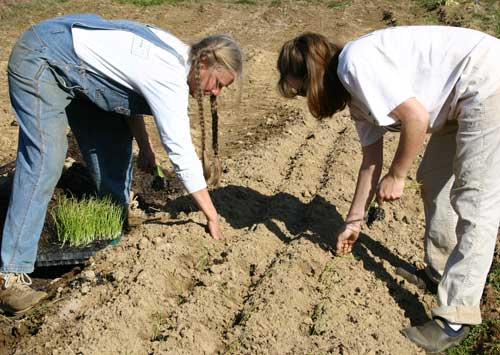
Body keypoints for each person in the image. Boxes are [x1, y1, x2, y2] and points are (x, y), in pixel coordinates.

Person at [0, 13, 242, 315]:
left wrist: (145, 148)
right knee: (46, 157)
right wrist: (212, 214)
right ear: (204, 63)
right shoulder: (169, 75)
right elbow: (181, 153)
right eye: (218, 84)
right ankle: (11, 273)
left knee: (114, 147)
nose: (215, 92)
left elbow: (124, 91)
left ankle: (114, 222)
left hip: (80, 77)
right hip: (41, 60)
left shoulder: (181, 56)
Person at [277, 27, 500, 353]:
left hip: (485, 79)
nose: (304, 100)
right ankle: (438, 274)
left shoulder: (354, 65)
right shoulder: (354, 97)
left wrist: (397, 174)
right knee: (434, 181)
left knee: (475, 199)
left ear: (312, 79)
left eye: (300, 93)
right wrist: (354, 221)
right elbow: (370, 162)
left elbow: (416, 117)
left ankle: (456, 316)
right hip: (460, 95)